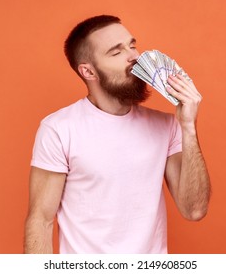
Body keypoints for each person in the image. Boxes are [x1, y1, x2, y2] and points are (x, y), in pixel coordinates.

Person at [24, 15, 211, 254]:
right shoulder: (59, 129)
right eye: (116, 52)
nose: (135, 56)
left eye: (132, 45)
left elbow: (194, 210)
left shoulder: (167, 125)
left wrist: (189, 127)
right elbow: (40, 220)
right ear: (89, 72)